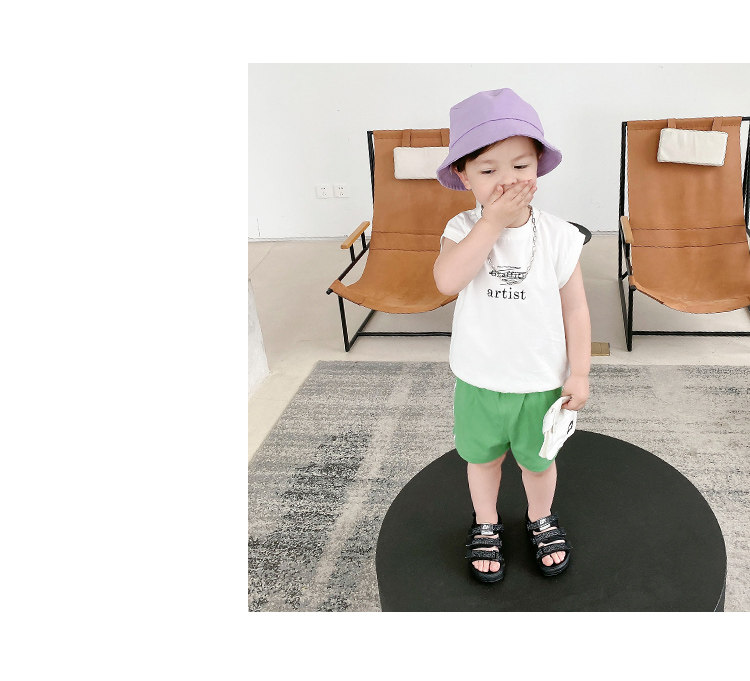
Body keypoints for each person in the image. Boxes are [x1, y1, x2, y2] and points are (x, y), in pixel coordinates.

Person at [433, 88, 591, 582]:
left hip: (540, 381)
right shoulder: (461, 229)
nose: (507, 181)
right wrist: (492, 223)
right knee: (482, 461)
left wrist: (580, 373)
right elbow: (446, 281)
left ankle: (540, 517)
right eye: (488, 170)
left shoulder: (560, 235)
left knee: (538, 463)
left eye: (520, 166)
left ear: (538, 166)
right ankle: (485, 521)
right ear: (464, 176)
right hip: (479, 379)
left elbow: (576, 308)